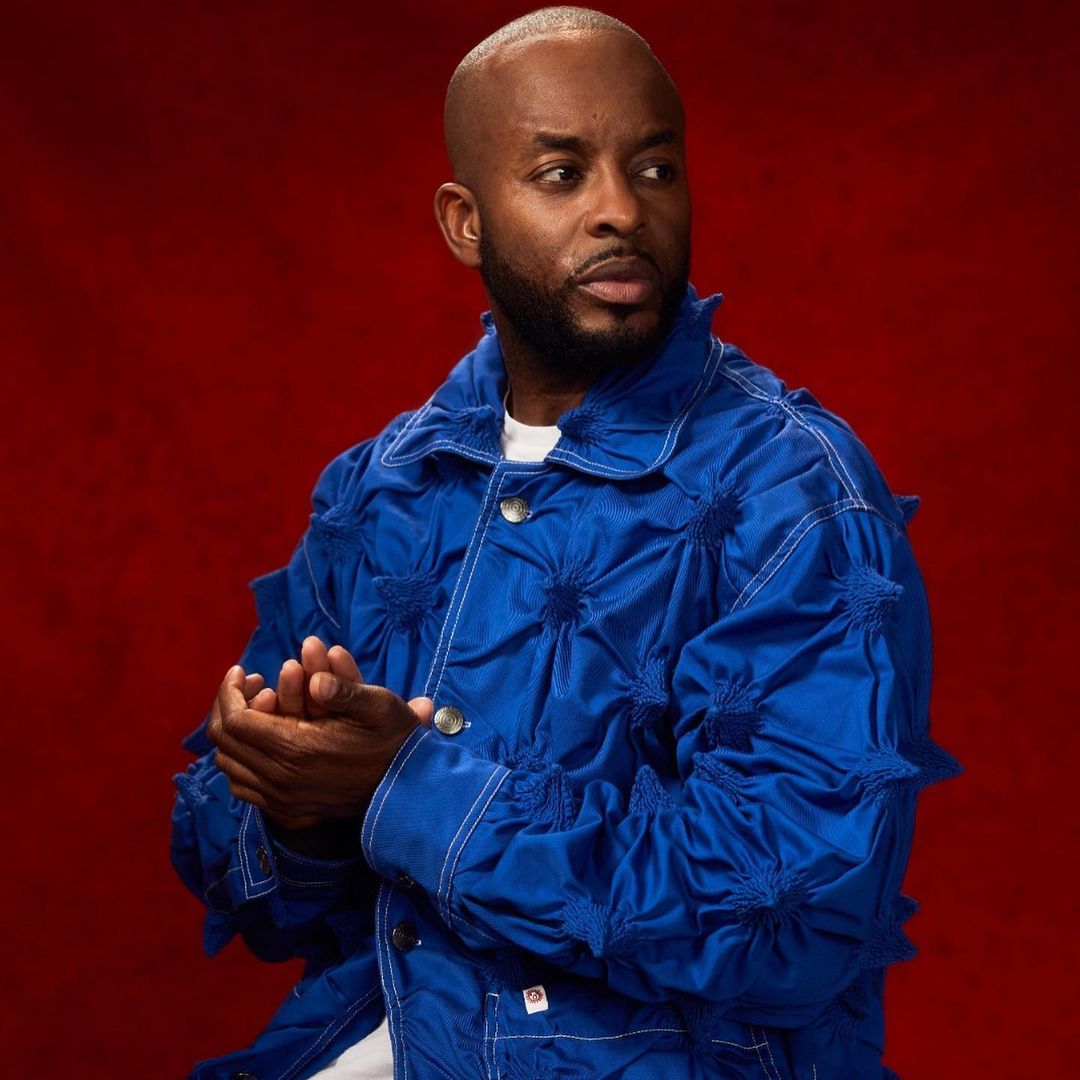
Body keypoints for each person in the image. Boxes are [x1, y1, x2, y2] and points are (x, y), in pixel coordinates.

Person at [171, 7, 962, 1079]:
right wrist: (296, 798)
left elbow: (791, 911)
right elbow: (251, 891)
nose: (621, 210)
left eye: (655, 169)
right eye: (561, 173)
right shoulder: (381, 488)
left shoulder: (795, 494)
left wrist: (408, 786)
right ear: (466, 222)